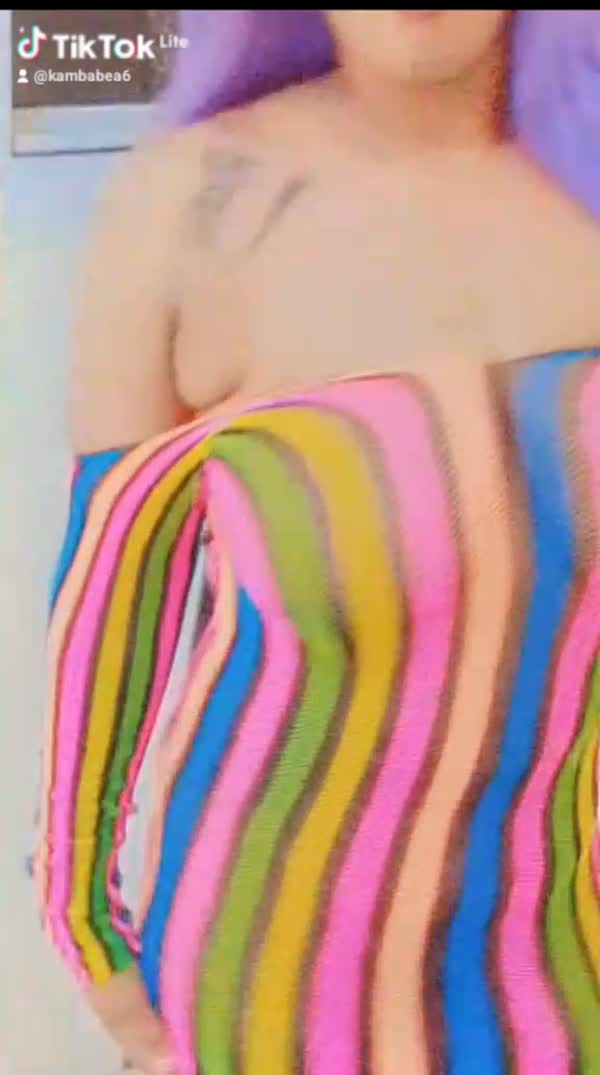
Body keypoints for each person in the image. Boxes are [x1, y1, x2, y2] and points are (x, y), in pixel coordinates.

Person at [34, 10, 600, 1075]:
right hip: (269, 975)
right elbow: (108, 610)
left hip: (559, 947)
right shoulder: (196, 205)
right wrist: (88, 931)